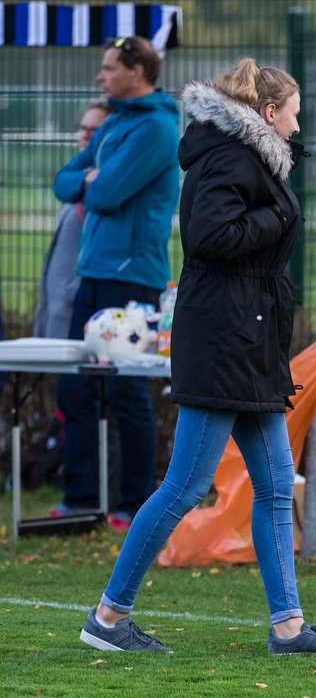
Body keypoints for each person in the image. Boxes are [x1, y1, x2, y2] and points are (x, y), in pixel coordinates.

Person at [79, 59, 316, 657]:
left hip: (249, 341)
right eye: (292, 112)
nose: (296, 123)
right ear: (268, 113)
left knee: (275, 484)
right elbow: (208, 238)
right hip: (225, 339)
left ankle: (288, 626)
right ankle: (108, 616)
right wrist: (280, 213)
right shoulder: (231, 157)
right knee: (184, 487)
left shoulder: (245, 156)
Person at [52, 37, 180, 530]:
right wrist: (88, 178)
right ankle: (80, 499)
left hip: (131, 280)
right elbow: (66, 182)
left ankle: (134, 505)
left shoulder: (156, 128)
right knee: (75, 387)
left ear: (138, 70)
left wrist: (90, 180)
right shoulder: (114, 123)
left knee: (127, 394)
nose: (100, 77)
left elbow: (104, 192)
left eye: (108, 69)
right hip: (92, 276)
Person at [35, 99, 112, 340]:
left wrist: (72, 293)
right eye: (83, 128)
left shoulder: (107, 188)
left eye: (94, 131)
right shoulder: (80, 182)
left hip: (75, 316)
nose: (85, 136)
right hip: (55, 313)